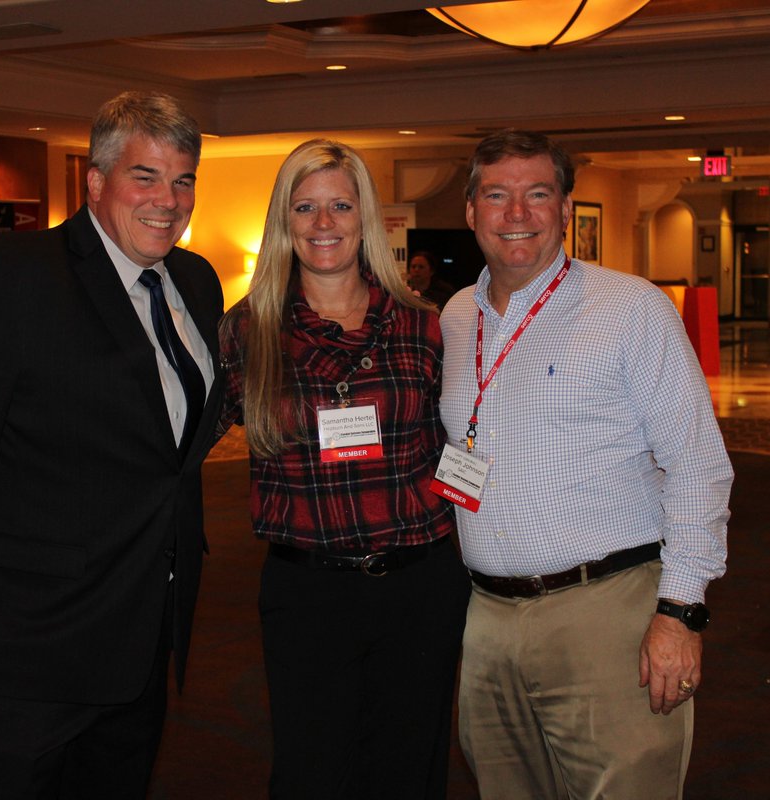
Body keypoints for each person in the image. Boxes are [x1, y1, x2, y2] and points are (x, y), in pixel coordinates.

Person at [0, 90, 224, 797]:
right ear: (95, 182)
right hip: (26, 647)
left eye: (183, 179)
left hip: (140, 634)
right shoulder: (15, 274)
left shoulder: (195, 282)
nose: (168, 200)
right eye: (145, 176)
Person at [438, 129, 733, 799]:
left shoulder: (630, 309)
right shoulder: (456, 317)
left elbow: (698, 466)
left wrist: (680, 613)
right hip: (488, 620)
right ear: (471, 210)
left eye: (538, 194)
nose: (517, 213)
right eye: (497, 195)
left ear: (566, 209)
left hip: (607, 613)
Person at [218, 139, 470, 799]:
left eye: (340, 206)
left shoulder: (423, 326)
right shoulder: (246, 332)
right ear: (284, 220)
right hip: (308, 593)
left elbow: (461, 441)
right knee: (312, 774)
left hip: (418, 587)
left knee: (409, 771)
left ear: (366, 218)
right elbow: (173, 440)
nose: (323, 223)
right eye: (305, 207)